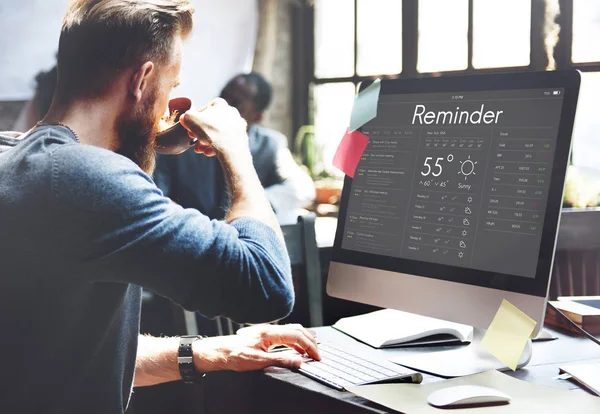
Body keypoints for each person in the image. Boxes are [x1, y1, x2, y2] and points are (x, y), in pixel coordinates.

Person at [0, 1, 319, 413]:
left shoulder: (16, 157)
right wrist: (236, 150)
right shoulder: (87, 178)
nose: (169, 104)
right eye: (171, 86)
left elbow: (65, 355)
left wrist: (214, 351)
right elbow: (267, 286)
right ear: (142, 79)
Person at [154, 72, 315, 222]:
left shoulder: (270, 145)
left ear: (257, 116)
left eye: (236, 103)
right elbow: (157, 196)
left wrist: (250, 205)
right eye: (223, 96)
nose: (224, 105)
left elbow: (302, 188)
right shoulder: (183, 140)